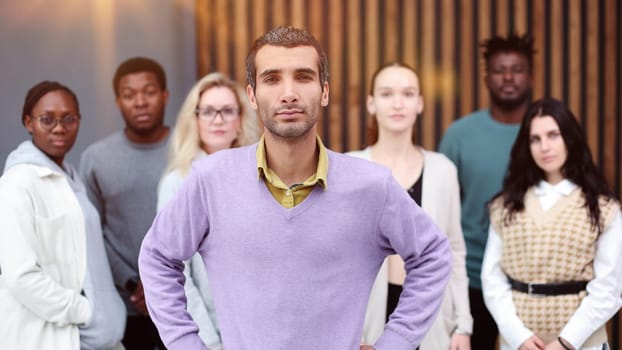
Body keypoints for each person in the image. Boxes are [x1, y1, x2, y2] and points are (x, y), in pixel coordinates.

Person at [139, 26, 452, 350]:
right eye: (272, 79)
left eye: (303, 77)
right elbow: (157, 256)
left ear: (325, 92)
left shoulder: (372, 186)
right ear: (252, 95)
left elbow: (433, 255)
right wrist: (186, 344)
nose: (288, 93)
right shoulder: (210, 180)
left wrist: (395, 342)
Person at [481, 98, 622, 350]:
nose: (544, 146)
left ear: (570, 138)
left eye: (553, 135)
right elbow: (492, 279)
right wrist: (518, 336)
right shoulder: (506, 205)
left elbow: (609, 288)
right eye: (535, 139)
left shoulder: (603, 208)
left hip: (582, 344)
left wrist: (566, 342)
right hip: (518, 344)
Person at [349, 62, 472, 350]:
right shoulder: (352, 168)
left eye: (407, 93)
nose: (397, 103)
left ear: (420, 104)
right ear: (371, 103)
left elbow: (454, 249)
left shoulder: (443, 170)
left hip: (429, 314)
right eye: (386, 93)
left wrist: (463, 324)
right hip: (367, 320)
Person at [0, 81, 126, 350]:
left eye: (69, 119)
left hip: (97, 338)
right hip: (58, 336)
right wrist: (85, 311)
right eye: (47, 119)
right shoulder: (18, 182)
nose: (59, 128)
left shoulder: (70, 178)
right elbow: (20, 276)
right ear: (28, 122)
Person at [438, 33, 535, 349]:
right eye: (499, 70)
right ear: (486, 77)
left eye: (517, 69)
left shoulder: (546, 134)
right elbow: (442, 210)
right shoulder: (459, 135)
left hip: (531, 279)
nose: (508, 77)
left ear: (531, 75)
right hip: (472, 277)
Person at [157, 71, 261, 349]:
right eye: (208, 112)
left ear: (240, 120)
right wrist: (207, 341)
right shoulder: (178, 182)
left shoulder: (262, 177)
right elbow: (175, 273)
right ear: (195, 120)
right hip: (209, 334)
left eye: (227, 111)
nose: (218, 120)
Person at [79, 57, 170, 349]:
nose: (140, 102)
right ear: (118, 101)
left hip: (183, 300)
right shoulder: (96, 159)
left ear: (165, 95)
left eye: (150, 91)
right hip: (125, 306)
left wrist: (162, 284)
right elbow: (91, 233)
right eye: (129, 95)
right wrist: (133, 283)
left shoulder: (189, 149)